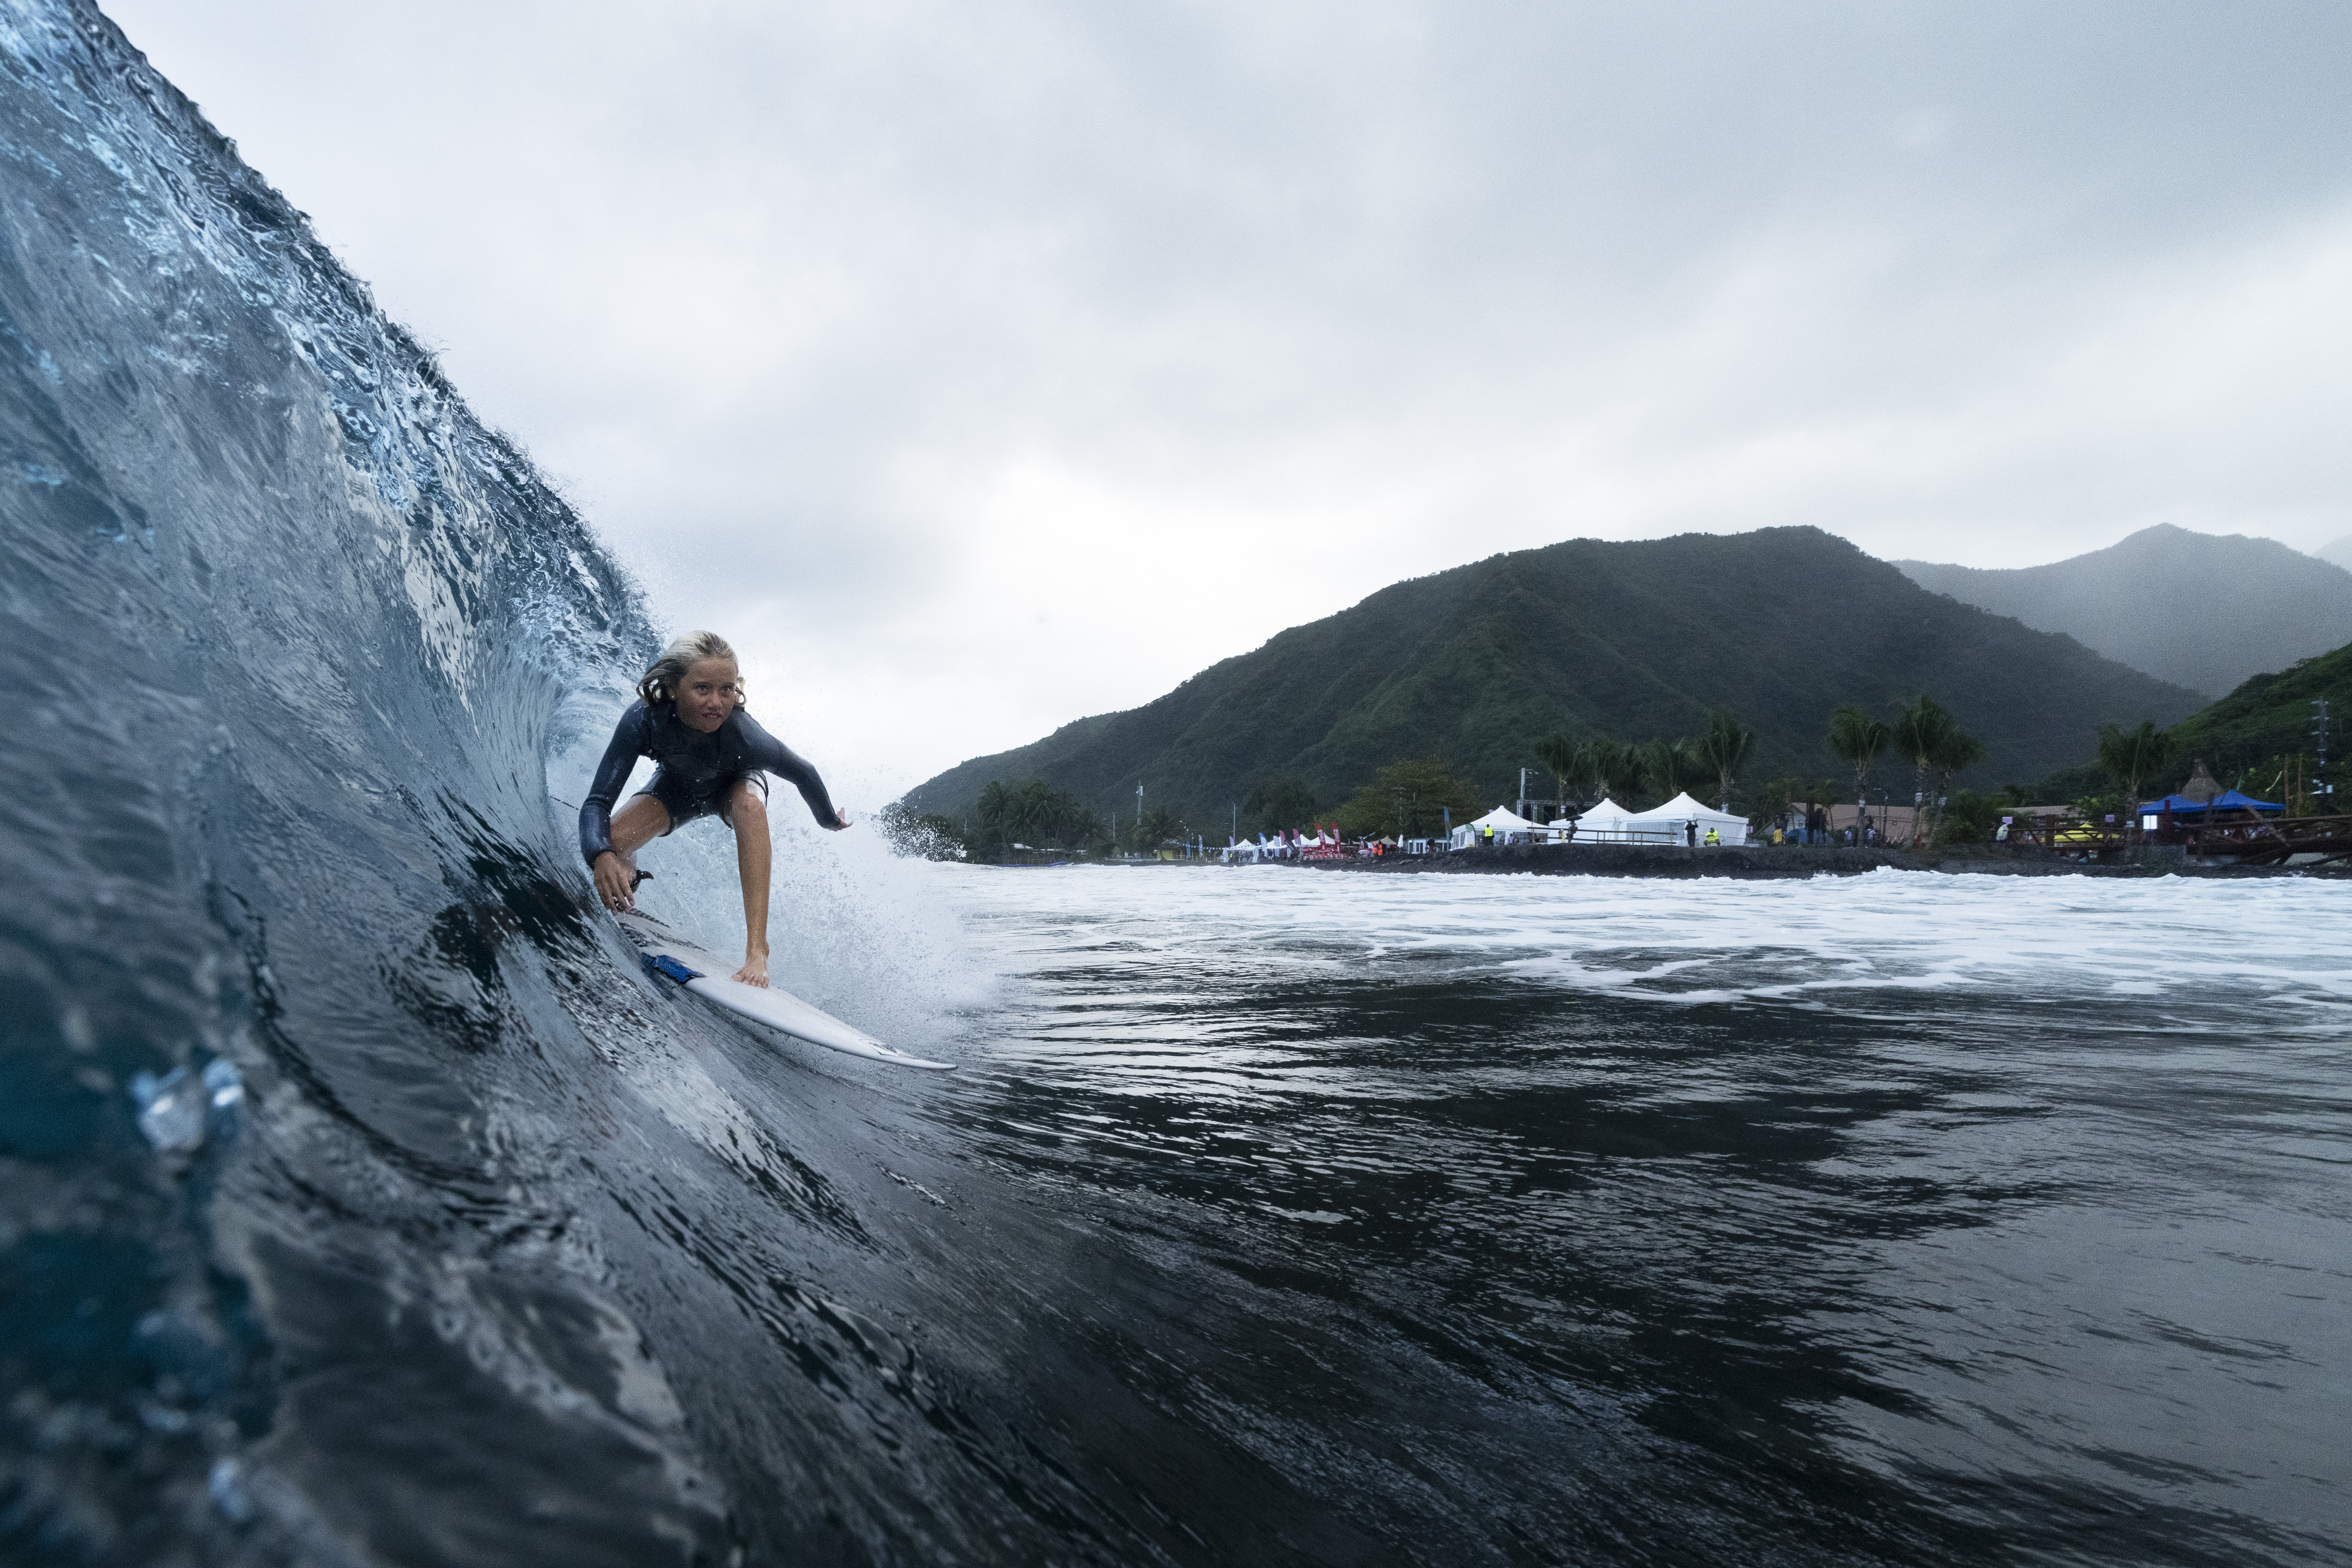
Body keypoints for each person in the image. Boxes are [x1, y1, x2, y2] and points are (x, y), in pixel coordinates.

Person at [579, 631, 848, 987]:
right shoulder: (643, 721)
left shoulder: (745, 735)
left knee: (750, 806)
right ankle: (627, 874)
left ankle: (757, 949)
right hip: (675, 790)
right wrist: (602, 856)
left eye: (727, 689)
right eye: (702, 688)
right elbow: (597, 802)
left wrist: (829, 820)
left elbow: (804, 774)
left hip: (734, 787)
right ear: (674, 687)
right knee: (609, 841)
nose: (717, 702)